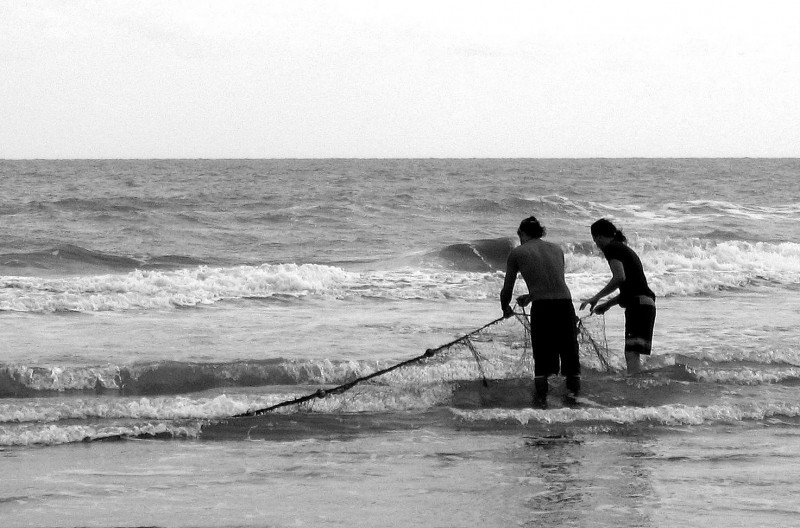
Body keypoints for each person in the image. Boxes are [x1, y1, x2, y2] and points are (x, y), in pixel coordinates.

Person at [500, 216, 580, 408]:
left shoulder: (518, 253)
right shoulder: (557, 249)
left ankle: (541, 404)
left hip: (543, 309)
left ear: (521, 233)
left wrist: (505, 308)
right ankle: (574, 403)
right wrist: (530, 296)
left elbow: (507, 288)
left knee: (542, 361)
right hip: (565, 305)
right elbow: (553, 282)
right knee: (570, 357)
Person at [580, 218, 656, 375]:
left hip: (638, 306)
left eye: (595, 239)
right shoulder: (622, 248)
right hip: (646, 304)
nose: (596, 244)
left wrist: (596, 297)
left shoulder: (612, 248)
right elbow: (631, 288)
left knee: (631, 353)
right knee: (634, 352)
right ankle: (638, 383)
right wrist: (607, 304)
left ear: (599, 236)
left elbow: (619, 277)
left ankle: (635, 389)